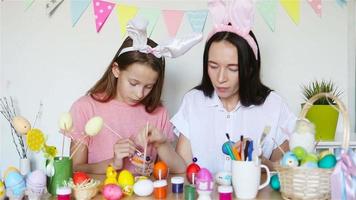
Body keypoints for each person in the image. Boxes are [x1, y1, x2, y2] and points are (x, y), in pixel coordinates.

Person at [171, 0, 296, 173]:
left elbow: (287, 172)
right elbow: (183, 172)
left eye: (233, 68)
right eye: (213, 66)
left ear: (250, 68)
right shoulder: (193, 101)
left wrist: (260, 161)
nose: (220, 78)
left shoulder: (274, 105)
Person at [69, 17, 202, 175]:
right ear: (116, 70)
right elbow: (74, 168)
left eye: (149, 86)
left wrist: (161, 147)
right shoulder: (85, 108)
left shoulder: (159, 113)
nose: (140, 94)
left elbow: (180, 170)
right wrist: (113, 163)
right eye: (133, 83)